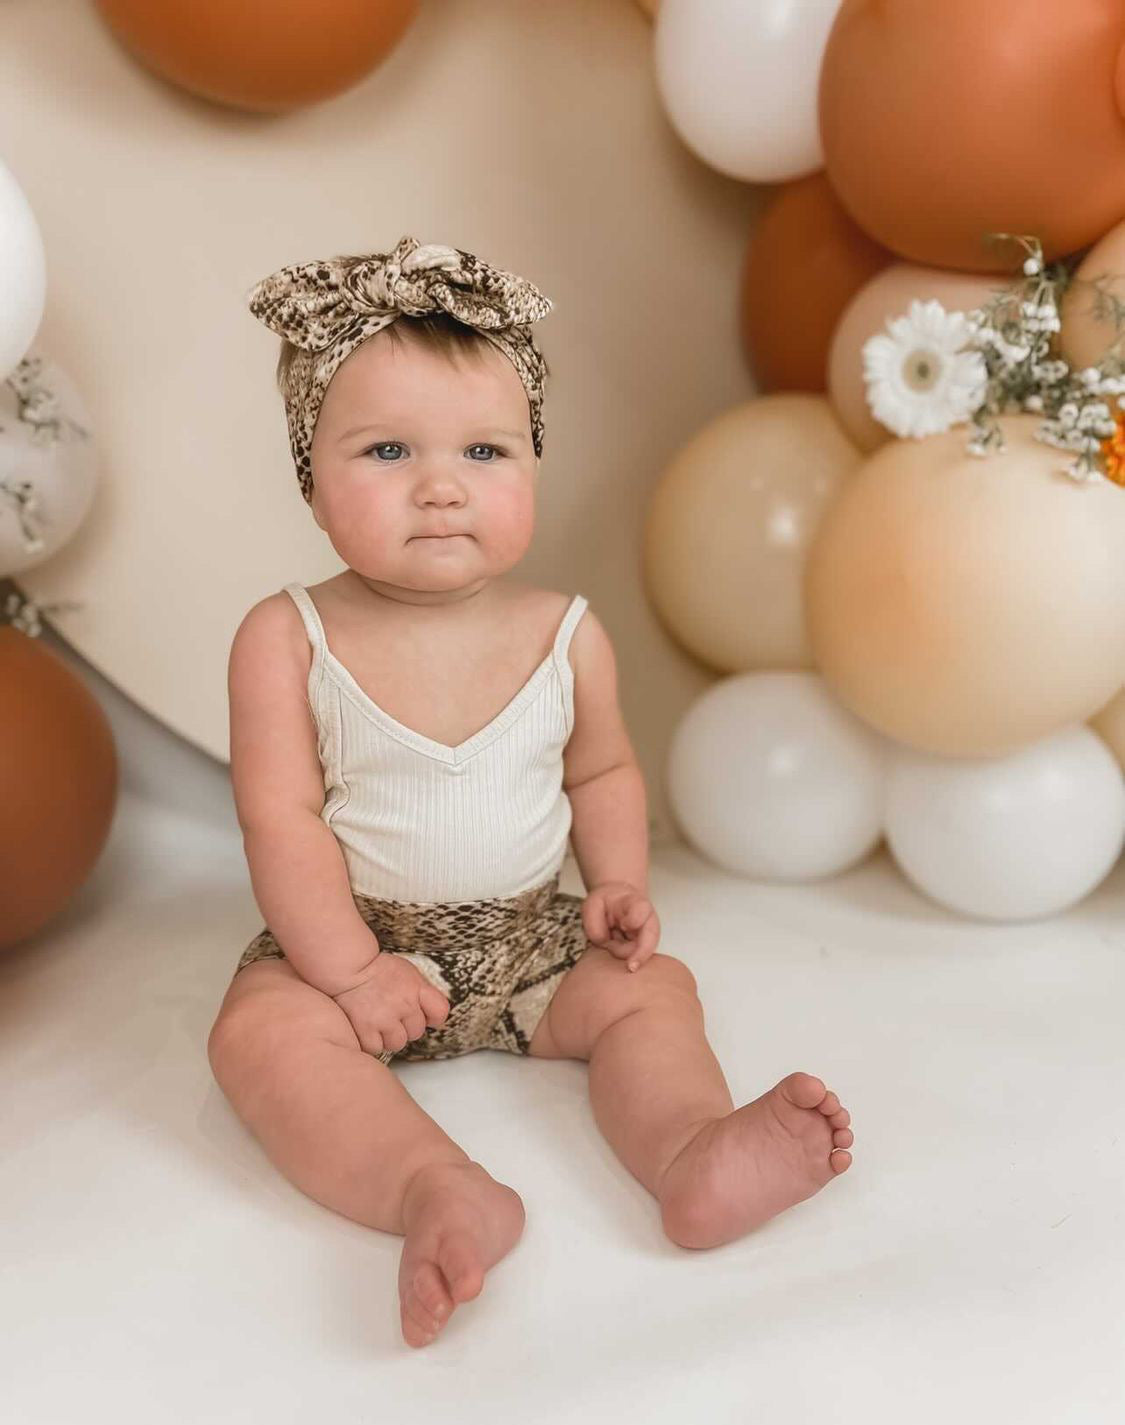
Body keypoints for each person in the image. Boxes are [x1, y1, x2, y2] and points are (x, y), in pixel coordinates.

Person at [207, 235, 854, 1350]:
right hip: (353, 948)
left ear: (534, 466)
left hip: (529, 946)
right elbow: (280, 818)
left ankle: (690, 1150)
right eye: (388, 450)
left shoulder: (566, 633)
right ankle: (434, 1187)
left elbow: (600, 771)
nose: (442, 485)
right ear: (310, 479)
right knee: (257, 1036)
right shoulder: (287, 636)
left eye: (486, 450)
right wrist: (348, 971)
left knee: (651, 992)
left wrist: (618, 883)